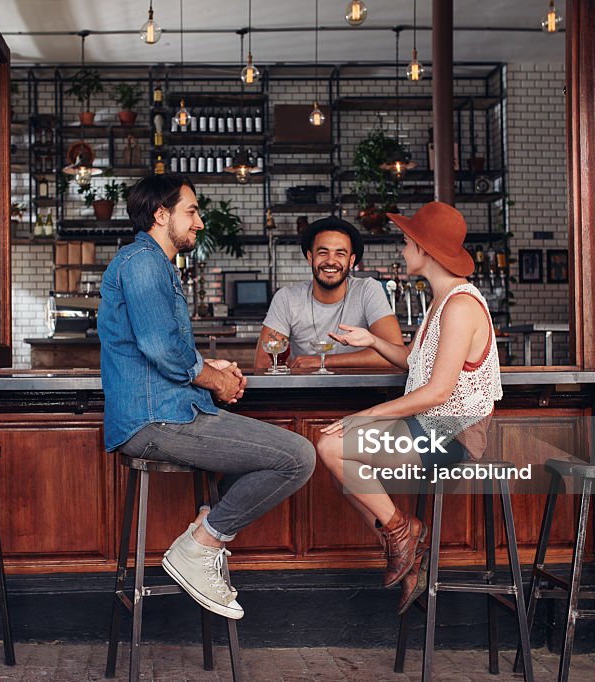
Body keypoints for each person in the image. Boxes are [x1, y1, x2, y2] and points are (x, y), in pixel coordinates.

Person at [98, 173, 316, 621]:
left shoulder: (156, 264)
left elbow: (170, 346)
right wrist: (216, 381)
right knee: (297, 456)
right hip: (155, 421)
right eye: (192, 211)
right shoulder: (142, 262)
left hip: (172, 412)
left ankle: (205, 530)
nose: (199, 222)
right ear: (162, 215)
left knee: (290, 456)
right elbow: (160, 347)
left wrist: (215, 369)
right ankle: (199, 545)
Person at [315, 202, 502, 614]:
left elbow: (437, 392)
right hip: (431, 425)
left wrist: (362, 416)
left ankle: (404, 531)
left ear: (424, 249)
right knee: (339, 459)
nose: (402, 251)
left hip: (453, 433)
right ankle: (405, 542)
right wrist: (374, 342)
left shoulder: (460, 306)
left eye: (406, 242)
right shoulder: (441, 301)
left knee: (333, 448)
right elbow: (417, 365)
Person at [254, 217, 403, 370]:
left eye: (340, 253)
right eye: (323, 252)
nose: (331, 261)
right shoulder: (287, 298)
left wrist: (322, 361)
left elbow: (395, 355)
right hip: (303, 391)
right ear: (310, 257)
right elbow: (263, 363)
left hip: (362, 390)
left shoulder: (368, 290)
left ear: (351, 261)